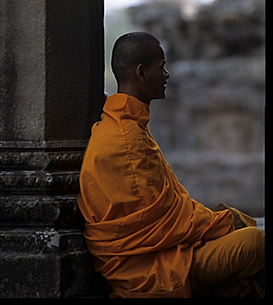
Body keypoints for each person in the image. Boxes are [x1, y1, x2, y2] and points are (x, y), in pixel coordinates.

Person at [77, 32, 264, 298]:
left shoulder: (125, 126)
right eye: (161, 67)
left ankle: (226, 287)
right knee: (254, 242)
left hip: (166, 250)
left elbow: (163, 214)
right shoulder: (125, 140)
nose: (166, 75)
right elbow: (164, 222)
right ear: (141, 73)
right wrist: (222, 222)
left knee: (242, 229)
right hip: (152, 267)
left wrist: (222, 221)